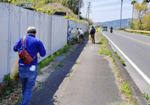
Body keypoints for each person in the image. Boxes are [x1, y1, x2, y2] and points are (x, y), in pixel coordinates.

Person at [13, 26, 46, 105]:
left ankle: (26, 101)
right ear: (35, 33)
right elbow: (43, 54)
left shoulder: (21, 39)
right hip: (32, 68)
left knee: (24, 86)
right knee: (28, 88)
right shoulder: (38, 41)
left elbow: (14, 48)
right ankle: (24, 103)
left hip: (21, 67)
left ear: (27, 33)